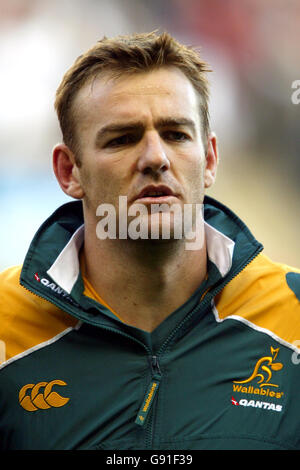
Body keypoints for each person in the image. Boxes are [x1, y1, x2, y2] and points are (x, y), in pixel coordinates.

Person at [0, 31, 300, 451]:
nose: (156, 158)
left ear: (209, 159)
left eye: (176, 134)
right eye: (122, 138)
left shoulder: (293, 317)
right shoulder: (5, 324)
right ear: (70, 171)